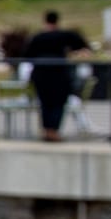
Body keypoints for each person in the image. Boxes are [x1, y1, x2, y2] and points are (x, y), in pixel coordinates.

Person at [23, 10, 91, 142]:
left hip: (41, 74)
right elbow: (82, 46)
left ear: (45, 21)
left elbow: (27, 55)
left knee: (44, 103)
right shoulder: (65, 35)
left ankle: (47, 130)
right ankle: (54, 130)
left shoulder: (38, 37)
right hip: (60, 74)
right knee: (58, 103)